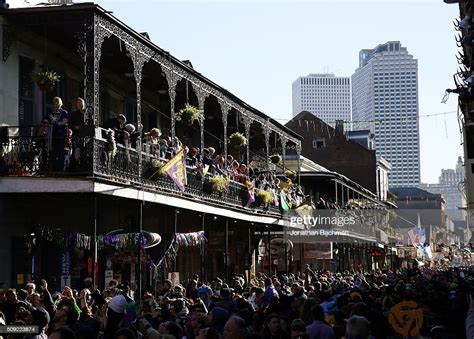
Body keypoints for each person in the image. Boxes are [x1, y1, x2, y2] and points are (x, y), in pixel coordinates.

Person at [43, 97, 69, 171]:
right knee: (52, 152)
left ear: (60, 104)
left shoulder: (64, 112)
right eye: (54, 102)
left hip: (60, 134)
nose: (55, 104)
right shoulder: (50, 112)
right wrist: (47, 122)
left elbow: (65, 121)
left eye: (57, 102)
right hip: (52, 134)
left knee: (60, 152)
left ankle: (60, 169)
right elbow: (45, 120)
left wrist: (57, 123)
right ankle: (52, 168)